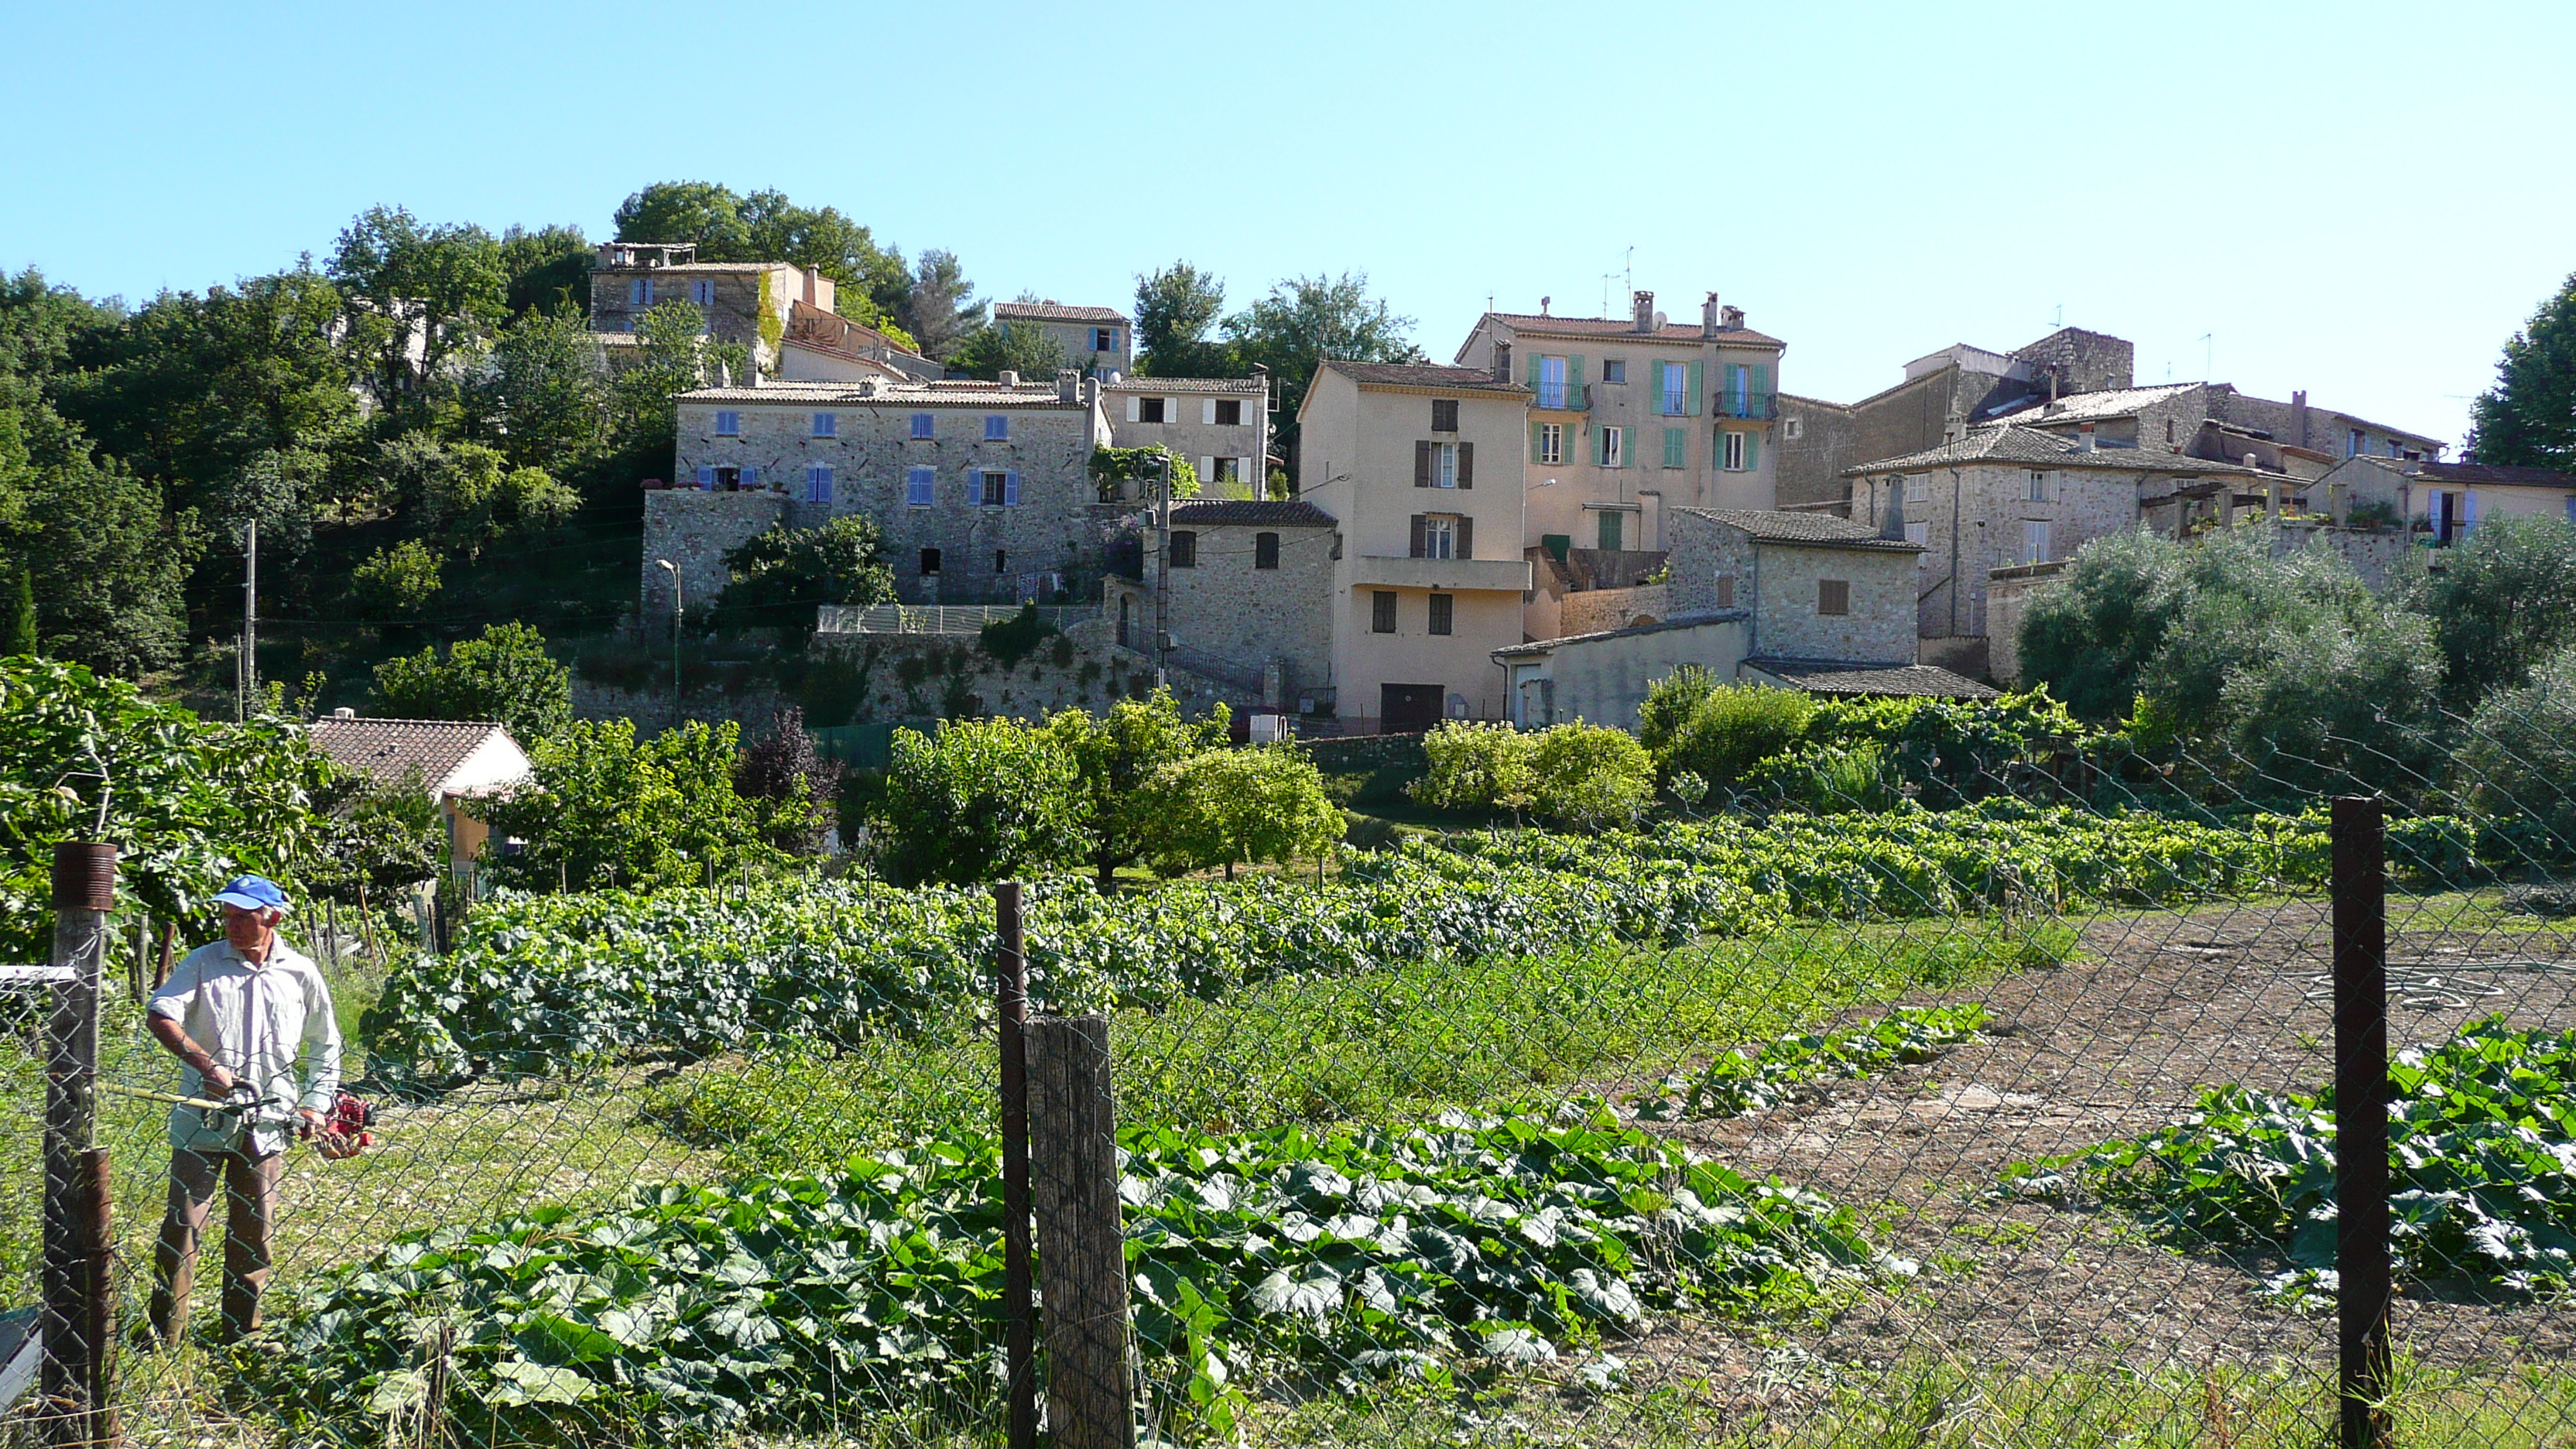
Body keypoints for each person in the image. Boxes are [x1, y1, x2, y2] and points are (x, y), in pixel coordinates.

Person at [145, 874, 341, 1345]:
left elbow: (326, 1044)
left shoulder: (300, 972)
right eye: (227, 915)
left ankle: (240, 1332)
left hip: (269, 1123)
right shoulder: (203, 962)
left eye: (242, 916)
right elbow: (161, 1013)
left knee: (255, 1232)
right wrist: (206, 1066)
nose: (231, 924)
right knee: (183, 1227)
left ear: (271, 917)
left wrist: (314, 1106)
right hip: (203, 1121)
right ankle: (163, 1336)